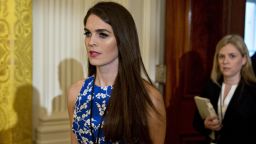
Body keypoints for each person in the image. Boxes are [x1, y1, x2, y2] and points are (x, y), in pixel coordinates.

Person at [67, 2, 166, 144]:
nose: (91, 42)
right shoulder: (75, 93)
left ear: (123, 39)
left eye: (102, 34)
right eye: (88, 33)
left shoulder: (149, 98)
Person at [193, 34, 256, 144]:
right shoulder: (210, 87)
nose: (225, 61)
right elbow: (196, 122)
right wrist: (205, 124)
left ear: (244, 60)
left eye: (232, 56)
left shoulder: (252, 91)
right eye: (221, 56)